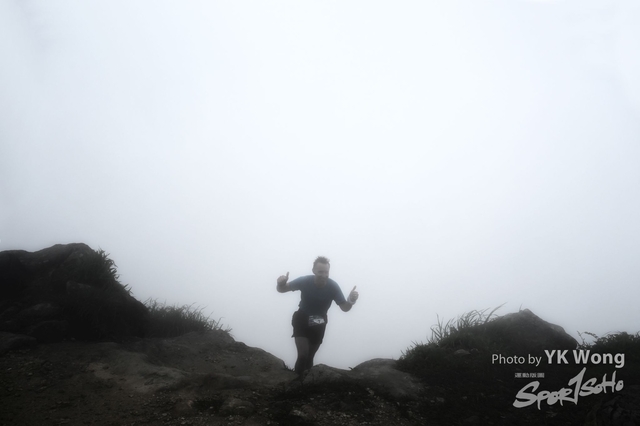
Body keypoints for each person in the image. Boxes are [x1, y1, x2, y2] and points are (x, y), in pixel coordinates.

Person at [276, 256, 359, 380]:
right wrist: (280, 283)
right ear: (313, 271)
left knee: (309, 357)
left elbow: (345, 308)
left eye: (326, 272)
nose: (324, 275)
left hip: (319, 321)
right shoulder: (305, 281)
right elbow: (281, 290)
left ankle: (307, 384)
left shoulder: (333, 286)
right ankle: (296, 384)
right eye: (320, 272)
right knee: (303, 355)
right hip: (302, 318)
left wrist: (351, 300)